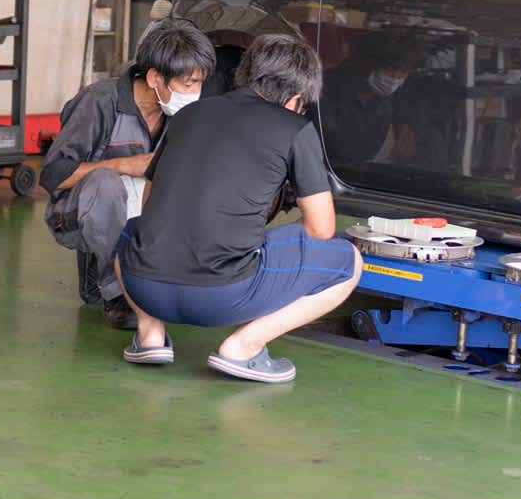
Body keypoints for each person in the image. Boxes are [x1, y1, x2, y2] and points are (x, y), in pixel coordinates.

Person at [115, 33, 362, 385]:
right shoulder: (296, 128)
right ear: (296, 98)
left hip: (145, 286)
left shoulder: (190, 114)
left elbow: (151, 202)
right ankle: (243, 347)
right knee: (347, 262)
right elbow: (320, 230)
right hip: (222, 299)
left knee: (131, 229)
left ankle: (150, 332)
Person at [40, 19, 215, 329]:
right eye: (188, 84)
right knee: (106, 183)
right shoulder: (99, 101)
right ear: (154, 78)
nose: (195, 93)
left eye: (200, 83)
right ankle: (117, 292)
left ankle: (156, 279)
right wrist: (122, 165)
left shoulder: (182, 115)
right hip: (75, 211)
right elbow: (54, 175)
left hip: (140, 209)